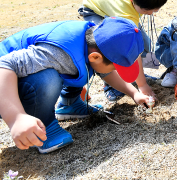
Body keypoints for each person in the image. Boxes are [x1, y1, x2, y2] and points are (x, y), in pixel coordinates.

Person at [0, 17, 150, 153]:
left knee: (81, 67)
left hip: (19, 80)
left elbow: (105, 72)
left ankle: (69, 104)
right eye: (115, 67)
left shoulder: (92, 41)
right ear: (96, 56)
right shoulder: (57, 52)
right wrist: (16, 117)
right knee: (48, 78)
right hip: (6, 90)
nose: (114, 71)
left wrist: (134, 93)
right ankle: (44, 127)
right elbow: (5, 64)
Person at [76, 0, 170, 102]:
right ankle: (111, 86)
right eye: (147, 10)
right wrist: (142, 85)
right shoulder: (126, 13)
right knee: (109, 51)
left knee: (144, 44)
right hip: (95, 10)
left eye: (156, 8)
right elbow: (131, 49)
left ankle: (133, 75)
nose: (152, 13)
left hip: (112, 4)